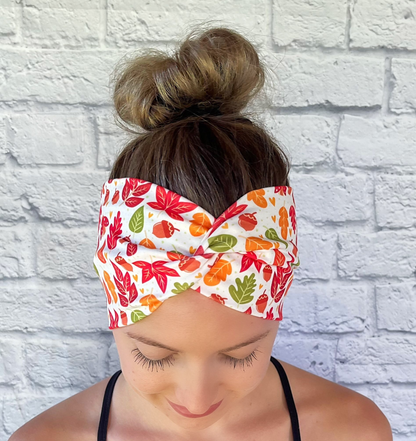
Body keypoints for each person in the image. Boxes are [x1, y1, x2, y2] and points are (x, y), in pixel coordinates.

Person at [10, 24, 392, 441]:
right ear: (111, 302)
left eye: (241, 354)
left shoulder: (352, 431)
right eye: (152, 355)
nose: (196, 401)